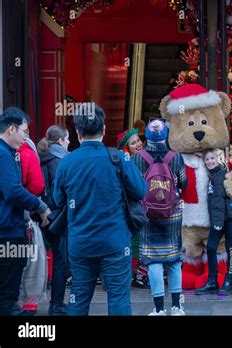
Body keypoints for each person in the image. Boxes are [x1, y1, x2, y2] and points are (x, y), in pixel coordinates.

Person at [53, 103, 146, 316]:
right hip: (115, 240)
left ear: (77, 132)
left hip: (80, 242)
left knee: (78, 297)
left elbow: (58, 200)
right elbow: (140, 191)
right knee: (119, 298)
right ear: (104, 130)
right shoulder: (119, 158)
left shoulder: (67, 163)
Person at [132, 118, 187, 316]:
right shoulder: (175, 156)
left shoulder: (138, 157)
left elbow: (135, 186)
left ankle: (158, 309)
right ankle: (177, 307)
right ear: (165, 136)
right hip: (172, 212)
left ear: (146, 136)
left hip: (148, 213)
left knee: (153, 260)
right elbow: (183, 182)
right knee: (173, 260)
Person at [0, 107, 51, 316]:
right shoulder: (3, 154)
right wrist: (41, 207)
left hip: (8, 230)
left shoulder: (7, 153)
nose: (26, 137)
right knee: (7, 292)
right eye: (24, 131)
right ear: (12, 129)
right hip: (7, 233)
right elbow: (13, 191)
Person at [195, 149, 232, 296]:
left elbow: (217, 202)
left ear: (219, 160)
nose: (209, 162)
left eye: (212, 159)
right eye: (207, 160)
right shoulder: (215, 175)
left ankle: (228, 282)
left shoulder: (219, 175)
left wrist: (216, 224)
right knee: (211, 247)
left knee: (230, 248)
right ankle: (212, 282)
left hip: (229, 217)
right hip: (223, 216)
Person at [37, 125, 70, 316]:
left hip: (43, 214)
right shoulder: (60, 161)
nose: (69, 142)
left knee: (58, 258)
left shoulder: (42, 156)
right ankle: (56, 304)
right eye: (66, 139)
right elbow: (62, 194)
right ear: (59, 141)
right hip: (57, 216)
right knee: (61, 261)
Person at [116, 128, 148, 289]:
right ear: (126, 146)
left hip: (144, 207)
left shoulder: (146, 158)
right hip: (130, 208)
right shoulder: (125, 161)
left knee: (143, 241)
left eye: (138, 140)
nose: (138, 144)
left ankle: (141, 275)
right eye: (133, 142)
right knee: (133, 241)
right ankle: (131, 275)